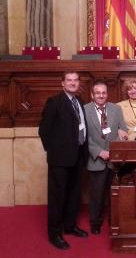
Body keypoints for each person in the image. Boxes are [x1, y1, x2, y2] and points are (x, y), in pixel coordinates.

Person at [38, 71, 89, 250]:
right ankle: (54, 234)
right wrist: (54, 152)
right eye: (69, 80)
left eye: (76, 80)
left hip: (78, 157)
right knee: (57, 198)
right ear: (62, 83)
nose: (73, 83)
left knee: (73, 195)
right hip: (60, 160)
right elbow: (44, 131)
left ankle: (69, 226)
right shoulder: (55, 102)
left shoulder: (79, 101)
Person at [84, 79, 128, 235]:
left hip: (114, 159)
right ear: (92, 95)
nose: (101, 95)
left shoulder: (116, 109)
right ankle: (95, 222)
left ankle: (113, 220)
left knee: (114, 193)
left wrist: (114, 149)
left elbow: (123, 130)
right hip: (96, 159)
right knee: (96, 194)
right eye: (98, 93)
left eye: (103, 93)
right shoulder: (84, 110)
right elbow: (84, 137)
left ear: (107, 94)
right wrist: (99, 152)